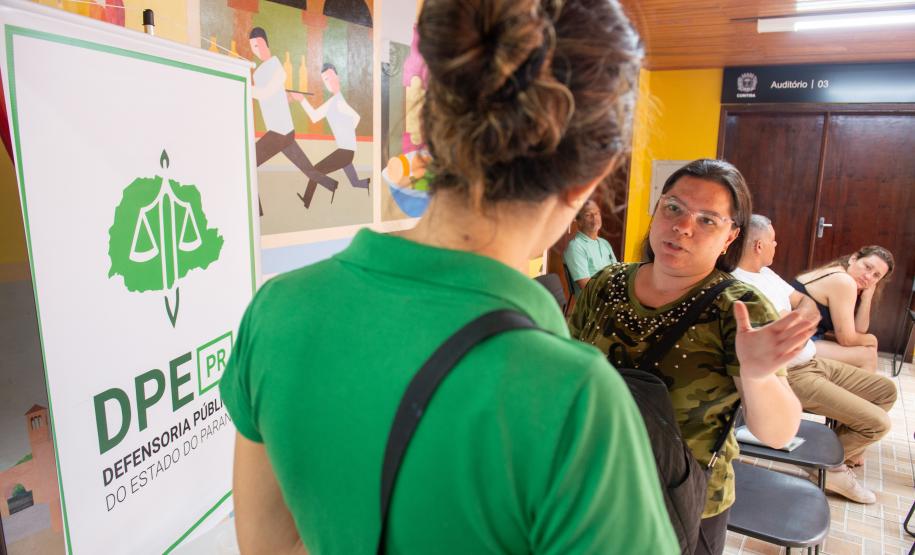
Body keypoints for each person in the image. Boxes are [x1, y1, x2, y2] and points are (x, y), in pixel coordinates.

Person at [222, 1, 679, 553]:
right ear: (590, 177)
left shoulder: (279, 309)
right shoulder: (575, 403)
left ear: (433, 128)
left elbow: (266, 546)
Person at [570, 159, 813, 555]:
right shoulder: (607, 283)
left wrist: (757, 376)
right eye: (674, 208)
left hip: (679, 504)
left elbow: (778, 434)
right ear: (657, 208)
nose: (683, 227)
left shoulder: (741, 309)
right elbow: (570, 373)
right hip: (593, 486)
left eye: (707, 220)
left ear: (731, 235)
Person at [732, 215, 896, 504]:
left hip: (811, 358)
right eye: (773, 241)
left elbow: (803, 303)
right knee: (878, 424)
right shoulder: (740, 283)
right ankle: (831, 468)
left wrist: (795, 318)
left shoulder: (766, 274)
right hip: (792, 373)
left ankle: (835, 459)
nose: (776, 245)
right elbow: (789, 328)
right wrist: (794, 320)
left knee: (886, 391)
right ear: (759, 245)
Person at [249, 27, 337, 212]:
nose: (256, 49)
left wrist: (245, 88)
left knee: (248, 163)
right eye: (252, 46)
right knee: (308, 170)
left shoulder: (277, 68)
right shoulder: (259, 72)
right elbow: (273, 98)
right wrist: (284, 97)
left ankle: (256, 211)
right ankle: (332, 186)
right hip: (283, 131)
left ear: (266, 43)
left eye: (258, 44)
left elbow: (265, 93)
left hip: (279, 132)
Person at [792, 245, 895, 373]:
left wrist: (866, 299)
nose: (868, 277)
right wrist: (873, 340)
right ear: (853, 259)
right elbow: (847, 339)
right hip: (794, 343)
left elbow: (859, 330)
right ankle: (857, 392)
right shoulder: (844, 281)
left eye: (876, 276)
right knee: (868, 356)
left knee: (866, 351)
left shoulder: (840, 273)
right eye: (867, 267)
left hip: (801, 339)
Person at [289, 63, 371, 209]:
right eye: (325, 80)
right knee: (354, 182)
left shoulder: (338, 102)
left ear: (338, 77)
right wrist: (347, 134)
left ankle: (314, 196)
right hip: (346, 151)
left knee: (314, 170)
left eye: (331, 77)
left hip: (345, 152)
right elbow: (315, 117)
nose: (329, 82)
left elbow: (356, 117)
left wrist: (301, 100)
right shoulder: (334, 102)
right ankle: (365, 183)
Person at [563, 199, 617, 294]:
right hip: (593, 300)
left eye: (597, 213)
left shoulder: (604, 243)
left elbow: (617, 272)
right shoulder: (575, 246)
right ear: (579, 221)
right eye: (588, 215)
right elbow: (586, 285)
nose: (595, 218)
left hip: (611, 295)